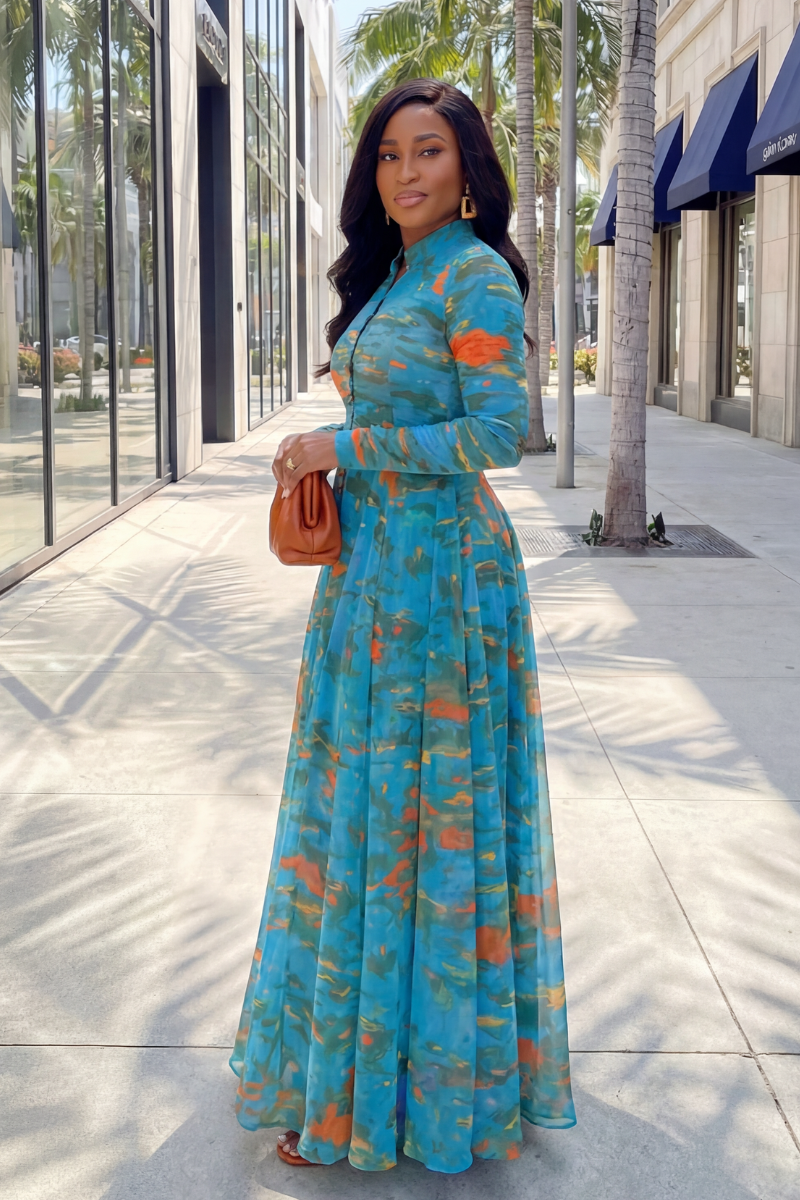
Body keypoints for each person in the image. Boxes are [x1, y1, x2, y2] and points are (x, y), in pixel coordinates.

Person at [230, 78, 575, 1174]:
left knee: (420, 832)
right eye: (387, 155)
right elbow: (393, 412)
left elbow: (494, 438)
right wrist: (324, 444)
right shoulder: (395, 273)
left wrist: (350, 450)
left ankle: (421, 1101)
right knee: (365, 820)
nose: (404, 172)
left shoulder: (472, 276)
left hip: (440, 589)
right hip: (371, 579)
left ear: (468, 169)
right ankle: (352, 1080)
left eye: (427, 151)